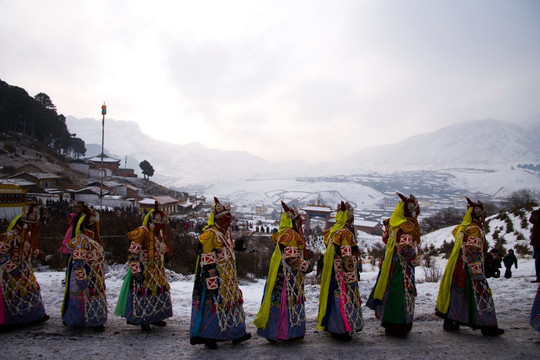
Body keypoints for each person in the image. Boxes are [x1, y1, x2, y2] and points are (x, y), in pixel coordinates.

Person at [435, 198, 504, 336]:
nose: (485, 216)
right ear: (479, 215)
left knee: (458, 292)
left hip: (458, 266)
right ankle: (487, 325)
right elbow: (472, 251)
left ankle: (451, 320)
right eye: (484, 214)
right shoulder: (474, 230)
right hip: (469, 267)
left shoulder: (464, 228)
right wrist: (477, 270)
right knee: (481, 292)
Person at [190, 197, 251, 349]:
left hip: (228, 276)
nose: (229, 221)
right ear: (218, 219)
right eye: (226, 218)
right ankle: (209, 336)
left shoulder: (225, 233)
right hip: (216, 277)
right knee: (214, 304)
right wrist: (212, 282)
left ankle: (237, 333)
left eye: (229, 218)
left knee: (232, 302)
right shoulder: (210, 235)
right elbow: (207, 259)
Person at [254, 201, 311, 342]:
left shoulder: (281, 234)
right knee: (287, 300)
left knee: (276, 298)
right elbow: (292, 259)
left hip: (278, 273)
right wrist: (306, 267)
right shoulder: (291, 235)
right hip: (288, 276)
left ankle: (272, 331)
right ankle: (287, 332)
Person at [366, 193, 421, 338]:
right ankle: (398, 324)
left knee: (388, 290)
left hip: (390, 262)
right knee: (400, 293)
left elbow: (385, 238)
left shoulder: (394, 223)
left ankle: (389, 322)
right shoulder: (407, 226)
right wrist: (414, 258)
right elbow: (404, 247)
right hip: (401, 266)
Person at [114, 201, 173, 331]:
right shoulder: (142, 232)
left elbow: (158, 247)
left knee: (157, 291)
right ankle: (142, 318)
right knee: (143, 292)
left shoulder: (158, 233)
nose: (161, 227)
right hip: (144, 268)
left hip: (157, 268)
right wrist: (136, 271)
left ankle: (155, 316)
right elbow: (133, 252)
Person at [317, 201, 363, 341]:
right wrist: (351, 275)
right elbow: (347, 256)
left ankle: (332, 325)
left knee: (333, 294)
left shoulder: (333, 231)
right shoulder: (345, 234)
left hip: (332, 270)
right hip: (342, 273)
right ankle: (342, 328)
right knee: (344, 296)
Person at [0, 203, 49, 331]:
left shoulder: (27, 236)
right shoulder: (10, 236)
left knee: (29, 293)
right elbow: (1, 254)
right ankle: (12, 320)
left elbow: (30, 250)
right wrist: (10, 268)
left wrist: (38, 254)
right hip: (10, 274)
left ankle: (32, 317)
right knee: (11, 294)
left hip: (25, 271)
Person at [61, 205, 107, 331]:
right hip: (86, 274)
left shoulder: (91, 240)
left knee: (94, 295)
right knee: (85, 296)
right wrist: (81, 278)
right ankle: (87, 320)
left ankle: (95, 319)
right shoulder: (81, 240)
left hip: (94, 274)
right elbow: (79, 261)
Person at [529, 208, 540, 283]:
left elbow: (533, 219)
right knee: (538, 260)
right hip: (537, 241)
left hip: (537, 241)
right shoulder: (537, 212)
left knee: (538, 260)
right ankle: (539, 277)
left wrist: (535, 216)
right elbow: (531, 219)